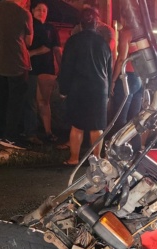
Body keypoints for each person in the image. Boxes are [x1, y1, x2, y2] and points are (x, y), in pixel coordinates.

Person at [58, 5, 111, 165]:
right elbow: (108, 70)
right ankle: (96, 158)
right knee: (97, 127)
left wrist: (63, 89)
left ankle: (74, 158)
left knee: (77, 126)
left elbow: (66, 67)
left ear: (81, 24)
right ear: (96, 24)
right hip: (99, 89)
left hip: (78, 88)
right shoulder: (103, 43)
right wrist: (108, 93)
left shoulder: (73, 41)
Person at [0, 0, 32, 148]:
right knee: (15, 102)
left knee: (1, 99)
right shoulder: (24, 13)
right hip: (17, 64)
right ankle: (11, 137)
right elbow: (28, 41)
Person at [23, 0, 60, 144]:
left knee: (44, 101)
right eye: (38, 9)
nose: (41, 12)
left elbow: (55, 49)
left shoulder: (51, 28)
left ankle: (48, 132)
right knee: (31, 100)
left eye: (44, 10)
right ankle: (31, 133)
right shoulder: (29, 26)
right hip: (31, 69)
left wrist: (61, 66)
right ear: (32, 11)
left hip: (46, 69)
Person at [108, 12, 143, 149]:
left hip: (127, 77)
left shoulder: (126, 33)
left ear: (125, 18)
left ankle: (117, 149)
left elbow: (122, 58)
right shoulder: (143, 32)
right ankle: (135, 148)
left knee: (120, 118)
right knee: (134, 119)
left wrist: (113, 80)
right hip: (140, 78)